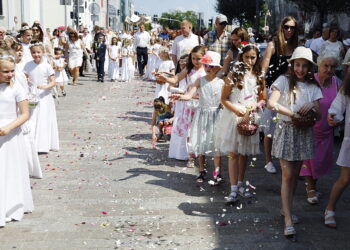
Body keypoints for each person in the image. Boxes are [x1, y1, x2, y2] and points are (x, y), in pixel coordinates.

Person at [267, 47, 322, 237]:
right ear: (292, 65)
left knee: (295, 174)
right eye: (298, 65)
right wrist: (292, 114)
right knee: (288, 176)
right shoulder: (283, 81)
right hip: (287, 130)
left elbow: (319, 114)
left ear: (309, 68)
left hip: (303, 132)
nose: (300, 69)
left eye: (304, 66)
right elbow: (271, 103)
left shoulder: (313, 87)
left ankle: (286, 208)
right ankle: (288, 219)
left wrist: (312, 108)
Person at [216, 43, 266, 202]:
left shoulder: (259, 75)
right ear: (241, 57)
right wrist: (236, 110)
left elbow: (263, 98)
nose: (250, 60)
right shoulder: (233, 74)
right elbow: (223, 99)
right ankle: (233, 188)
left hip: (249, 116)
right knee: (233, 153)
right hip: (234, 115)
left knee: (243, 153)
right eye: (247, 57)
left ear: (257, 58)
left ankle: (240, 183)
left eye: (253, 57)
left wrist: (256, 107)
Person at [172, 51, 224, 183]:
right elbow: (189, 95)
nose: (208, 68)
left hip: (216, 115)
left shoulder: (221, 83)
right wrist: (181, 97)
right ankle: (202, 170)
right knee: (201, 143)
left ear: (218, 68)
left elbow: (224, 100)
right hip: (202, 115)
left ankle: (217, 173)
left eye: (211, 66)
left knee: (216, 145)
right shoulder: (200, 81)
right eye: (206, 65)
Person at [299, 52, 340, 205]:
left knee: (320, 160)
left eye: (332, 67)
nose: (329, 70)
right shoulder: (311, 80)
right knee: (309, 159)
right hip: (311, 128)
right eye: (326, 66)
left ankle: (313, 185)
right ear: (319, 65)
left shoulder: (336, 82)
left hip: (327, 130)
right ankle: (310, 187)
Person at [260, 16, 299, 174]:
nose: (289, 30)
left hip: (291, 89)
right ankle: (268, 160)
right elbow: (263, 70)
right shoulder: (273, 44)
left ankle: (288, 160)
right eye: (286, 27)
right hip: (274, 89)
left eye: (292, 27)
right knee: (271, 127)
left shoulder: (297, 46)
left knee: (289, 125)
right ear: (281, 27)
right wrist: (262, 91)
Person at [0, 51, 34, 227]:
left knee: (9, 169)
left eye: (12, 71)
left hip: (10, 134)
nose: (10, 74)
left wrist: (8, 127)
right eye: (5, 71)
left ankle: (11, 205)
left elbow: (25, 114)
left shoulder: (17, 88)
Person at [158, 46, 206, 163]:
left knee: (199, 131)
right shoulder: (189, 69)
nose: (195, 61)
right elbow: (176, 79)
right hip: (188, 103)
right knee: (189, 131)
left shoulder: (206, 71)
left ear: (204, 58)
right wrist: (165, 78)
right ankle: (190, 155)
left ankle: (199, 155)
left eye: (198, 59)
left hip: (201, 103)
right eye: (193, 58)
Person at [324, 72, 350, 228]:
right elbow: (337, 107)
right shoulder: (347, 88)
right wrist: (333, 117)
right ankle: (330, 208)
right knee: (345, 179)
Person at [12, 43, 42, 179]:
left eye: (20, 51)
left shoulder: (20, 67)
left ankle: (26, 165)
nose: (19, 53)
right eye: (16, 51)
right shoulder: (13, 68)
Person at [23, 42, 59, 153]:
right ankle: (32, 142)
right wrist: (26, 83)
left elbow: (53, 82)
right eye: (33, 52)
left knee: (43, 117)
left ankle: (43, 144)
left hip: (44, 95)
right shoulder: (28, 65)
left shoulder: (47, 66)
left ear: (43, 53)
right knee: (32, 117)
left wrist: (45, 87)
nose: (36, 54)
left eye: (38, 52)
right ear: (30, 53)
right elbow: (24, 77)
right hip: (32, 93)